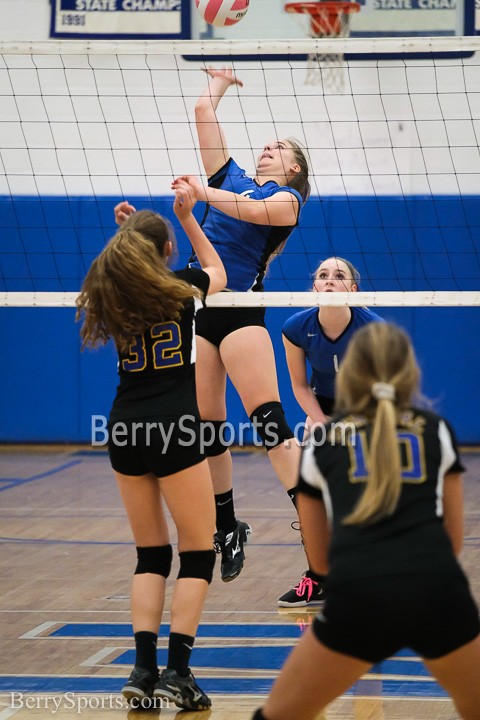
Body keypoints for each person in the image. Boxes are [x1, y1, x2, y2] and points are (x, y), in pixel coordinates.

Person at [115, 66, 311, 585]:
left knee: (268, 423)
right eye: (265, 145)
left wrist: (202, 194)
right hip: (202, 312)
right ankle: (228, 525)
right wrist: (220, 82)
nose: (268, 149)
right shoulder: (229, 178)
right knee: (206, 430)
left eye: (279, 149)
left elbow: (254, 210)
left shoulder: (286, 201)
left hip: (241, 310)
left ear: (294, 170)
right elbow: (203, 113)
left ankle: (315, 535)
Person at [253, 322, 480, 720]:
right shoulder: (437, 432)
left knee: (278, 715)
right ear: (410, 372)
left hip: (359, 596)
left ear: (349, 375)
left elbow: (320, 564)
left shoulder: (322, 445)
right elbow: (454, 541)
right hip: (437, 591)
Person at [76, 181, 226, 711]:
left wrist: (129, 232)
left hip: (123, 427)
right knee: (198, 550)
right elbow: (220, 272)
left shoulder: (110, 296)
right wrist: (188, 218)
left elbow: (126, 264)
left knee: (150, 554)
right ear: (166, 252)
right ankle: (178, 673)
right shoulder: (183, 286)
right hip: (174, 427)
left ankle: (142, 672)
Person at [278, 256, 383, 607]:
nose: (329, 281)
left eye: (339, 276)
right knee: (310, 495)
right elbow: (298, 386)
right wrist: (320, 422)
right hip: (321, 407)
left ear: (353, 289)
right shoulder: (296, 327)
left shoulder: (373, 329)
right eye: (322, 275)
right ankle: (317, 576)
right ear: (314, 287)